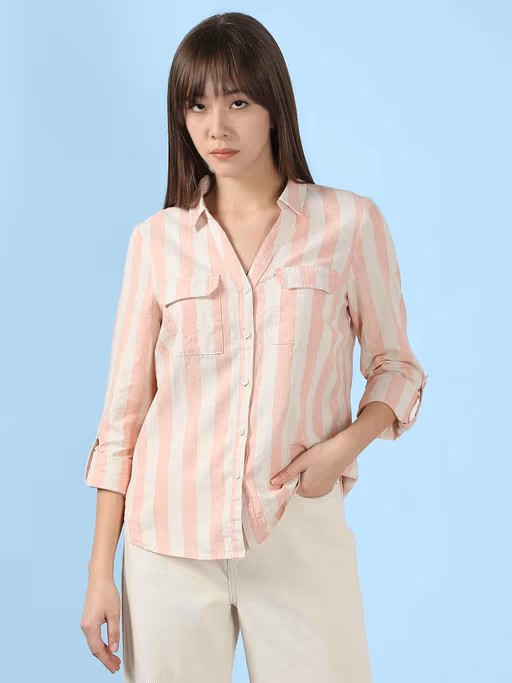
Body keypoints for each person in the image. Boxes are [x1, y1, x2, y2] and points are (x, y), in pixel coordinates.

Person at [80, 11, 428, 682]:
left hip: (298, 529)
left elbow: (397, 367)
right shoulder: (155, 242)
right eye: (198, 105)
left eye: (238, 102)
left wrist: (344, 448)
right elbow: (122, 419)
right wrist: (100, 571)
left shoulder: (349, 224)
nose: (217, 126)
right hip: (167, 545)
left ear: (273, 106)